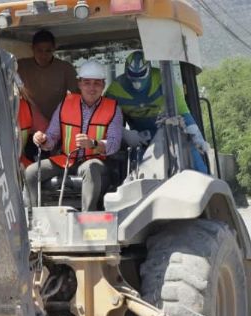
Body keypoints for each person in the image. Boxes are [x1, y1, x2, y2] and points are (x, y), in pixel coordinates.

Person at [26, 61, 124, 212]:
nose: (92, 88)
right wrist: (43, 140)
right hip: (66, 160)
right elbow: (52, 137)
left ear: (103, 85)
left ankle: (87, 218)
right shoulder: (65, 103)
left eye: (97, 83)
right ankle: (34, 217)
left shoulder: (113, 108)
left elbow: (114, 144)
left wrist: (93, 143)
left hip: (96, 162)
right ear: (79, 84)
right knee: (31, 172)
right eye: (87, 83)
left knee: (90, 169)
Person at [105, 50, 209, 172]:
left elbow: (182, 111)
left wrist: (197, 137)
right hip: (140, 139)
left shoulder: (164, 80)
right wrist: (124, 133)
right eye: (133, 76)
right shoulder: (114, 90)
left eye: (141, 74)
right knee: (136, 168)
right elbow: (106, 119)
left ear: (148, 70)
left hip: (170, 133)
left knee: (196, 163)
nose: (137, 82)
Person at [17, 30, 79, 122]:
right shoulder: (20, 66)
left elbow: (77, 96)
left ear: (54, 49)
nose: (43, 55)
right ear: (32, 48)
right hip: (30, 122)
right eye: (39, 50)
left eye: (48, 51)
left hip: (58, 122)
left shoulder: (65, 68)